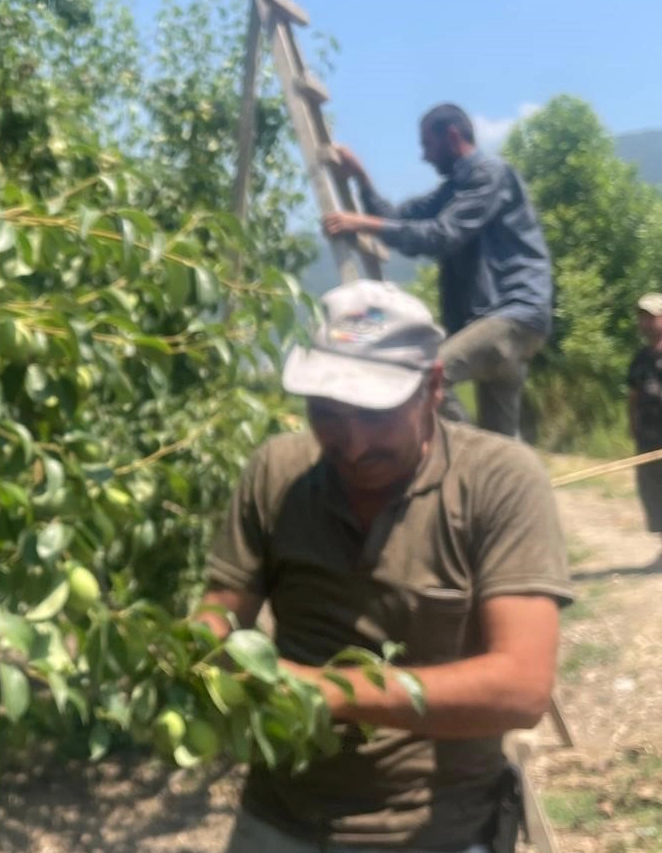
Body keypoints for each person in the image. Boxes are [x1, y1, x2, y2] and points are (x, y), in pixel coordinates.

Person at [195, 280, 573, 853]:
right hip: (277, 820)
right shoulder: (277, 473)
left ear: (433, 387)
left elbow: (521, 689)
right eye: (326, 414)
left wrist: (325, 691)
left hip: (434, 832)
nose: (352, 445)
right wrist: (178, 657)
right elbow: (218, 618)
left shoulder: (498, 481)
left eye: (376, 416)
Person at [321, 103, 554, 440]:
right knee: (499, 443)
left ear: (452, 136)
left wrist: (362, 224)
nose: (424, 156)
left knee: (421, 375)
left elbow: (443, 235)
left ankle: (464, 451)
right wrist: (362, 179)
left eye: (427, 145)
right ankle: (488, 466)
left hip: (512, 315)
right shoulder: (454, 189)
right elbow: (399, 218)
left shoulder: (489, 175)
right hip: (507, 320)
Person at [627, 293, 662, 553]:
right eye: (642, 317)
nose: (646, 323)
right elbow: (633, 394)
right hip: (648, 436)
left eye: (651, 317)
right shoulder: (640, 358)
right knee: (652, 491)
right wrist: (632, 425)